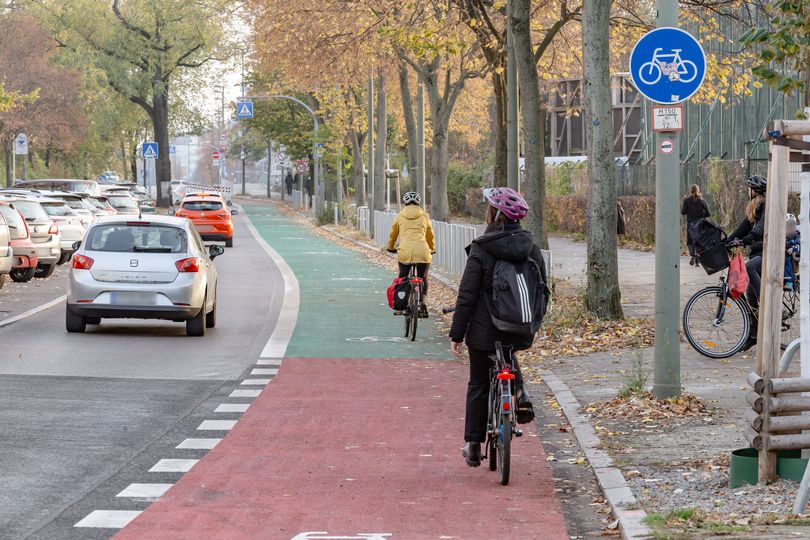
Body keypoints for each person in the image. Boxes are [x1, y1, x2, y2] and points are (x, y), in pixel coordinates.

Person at [449, 187, 544, 468]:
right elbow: (542, 291)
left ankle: (474, 445)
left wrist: (457, 333)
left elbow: (467, 295)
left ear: (493, 213)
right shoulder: (531, 248)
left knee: (478, 382)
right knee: (509, 354)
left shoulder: (481, 248)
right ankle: (520, 393)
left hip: (483, 331)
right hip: (519, 327)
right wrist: (533, 322)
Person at [386, 192, 435, 317]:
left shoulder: (400, 216)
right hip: (422, 251)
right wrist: (432, 248)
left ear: (405, 203)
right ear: (418, 203)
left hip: (405, 252)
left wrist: (391, 247)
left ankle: (400, 304)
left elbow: (393, 234)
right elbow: (430, 235)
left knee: (402, 277)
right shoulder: (424, 216)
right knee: (423, 277)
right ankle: (423, 302)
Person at [728, 175, 767, 314]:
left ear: (754, 191)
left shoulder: (765, 206)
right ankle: (753, 333)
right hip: (757, 252)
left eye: (749, 189)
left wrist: (746, 239)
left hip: (767, 253)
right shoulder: (755, 207)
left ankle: (767, 304)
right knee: (750, 295)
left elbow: (760, 228)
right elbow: (744, 227)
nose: (748, 191)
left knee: (748, 267)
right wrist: (727, 241)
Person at [681, 184, 711, 266]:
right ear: (698, 190)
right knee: (699, 241)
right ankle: (698, 257)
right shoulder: (702, 201)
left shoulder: (686, 201)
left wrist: (689, 211)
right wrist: (701, 215)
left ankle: (693, 255)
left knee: (690, 241)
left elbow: (683, 212)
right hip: (700, 224)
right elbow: (708, 213)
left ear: (690, 191)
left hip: (691, 224)